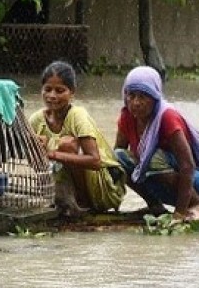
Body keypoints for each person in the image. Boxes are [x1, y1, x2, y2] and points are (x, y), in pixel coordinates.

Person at [113, 66, 199, 222]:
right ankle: (155, 205)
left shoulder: (167, 117)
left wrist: (179, 213)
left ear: (155, 97)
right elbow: (118, 155)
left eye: (143, 97)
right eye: (132, 95)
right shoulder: (127, 116)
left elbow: (188, 166)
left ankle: (198, 207)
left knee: (152, 157)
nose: (136, 103)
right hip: (167, 187)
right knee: (118, 158)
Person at [27, 61, 125, 216]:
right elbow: (23, 153)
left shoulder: (77, 115)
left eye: (60, 91)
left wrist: (52, 154)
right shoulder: (36, 119)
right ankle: (58, 200)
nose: (52, 96)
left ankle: (83, 203)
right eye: (48, 89)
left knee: (67, 145)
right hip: (61, 185)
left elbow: (95, 161)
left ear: (72, 93)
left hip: (102, 188)